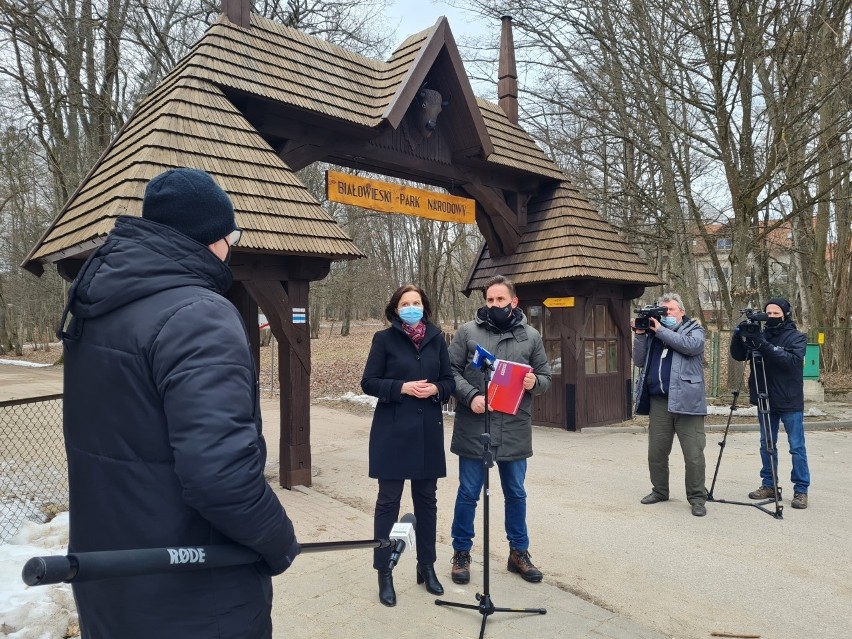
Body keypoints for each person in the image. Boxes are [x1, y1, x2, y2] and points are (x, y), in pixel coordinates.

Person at [58, 168, 299, 638]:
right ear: (213, 237)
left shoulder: (100, 305)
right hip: (194, 593)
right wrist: (278, 540)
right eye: (233, 234)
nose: (232, 245)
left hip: (111, 576)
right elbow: (221, 477)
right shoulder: (200, 316)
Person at [447, 275, 551, 584]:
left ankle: (518, 552)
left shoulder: (531, 336)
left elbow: (545, 376)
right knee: (468, 492)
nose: (494, 305)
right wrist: (471, 396)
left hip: (515, 426)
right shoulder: (468, 332)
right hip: (475, 425)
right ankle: (461, 552)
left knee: (516, 493)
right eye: (490, 300)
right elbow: (449, 371)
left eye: (500, 300)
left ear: (513, 302)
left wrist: (536, 382)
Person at [360, 284, 456, 607]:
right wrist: (402, 387)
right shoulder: (383, 340)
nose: (411, 307)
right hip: (392, 433)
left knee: (427, 501)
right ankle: (383, 570)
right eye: (406, 303)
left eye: (416, 303)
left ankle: (426, 565)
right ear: (396, 309)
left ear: (424, 307)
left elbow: (449, 382)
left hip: (428, 434)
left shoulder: (437, 338)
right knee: (388, 501)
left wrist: (435, 391)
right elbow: (369, 382)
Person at [632, 292, 708, 517]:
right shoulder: (654, 335)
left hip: (687, 402)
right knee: (656, 452)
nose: (665, 315)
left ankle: (697, 498)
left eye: (670, 311)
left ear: (682, 312)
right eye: (662, 311)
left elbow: (690, 346)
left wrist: (660, 330)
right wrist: (640, 334)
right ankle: (660, 490)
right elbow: (638, 360)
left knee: (693, 454)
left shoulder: (694, 329)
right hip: (659, 402)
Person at [730, 298, 810, 509]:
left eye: (776, 313)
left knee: (797, 447)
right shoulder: (760, 334)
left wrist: (763, 344)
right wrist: (738, 335)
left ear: (785, 315)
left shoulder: (797, 337)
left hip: (789, 400)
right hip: (765, 398)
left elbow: (790, 362)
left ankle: (801, 489)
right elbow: (739, 355)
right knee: (766, 444)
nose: (772, 317)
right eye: (769, 313)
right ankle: (769, 484)